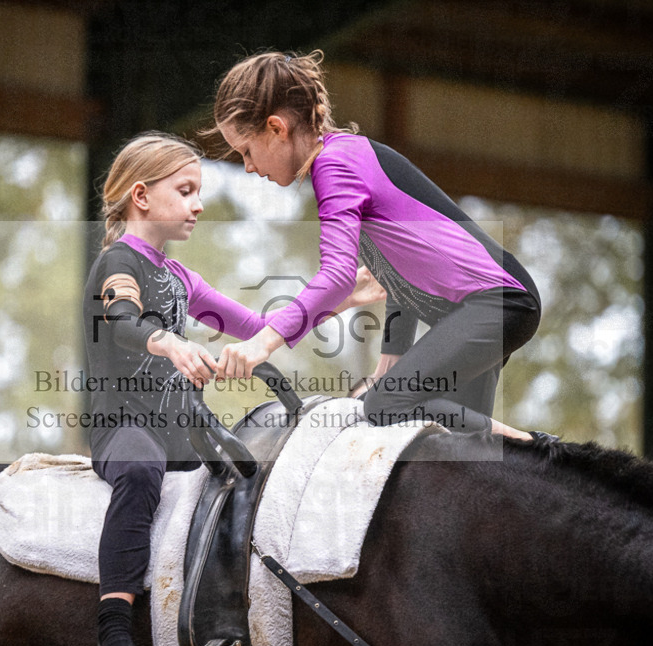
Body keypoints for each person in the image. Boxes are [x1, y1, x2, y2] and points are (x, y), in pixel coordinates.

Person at [83, 132, 380, 646]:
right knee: (141, 469)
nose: (199, 204)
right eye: (187, 190)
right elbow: (122, 322)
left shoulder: (180, 277)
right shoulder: (117, 263)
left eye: (199, 192)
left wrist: (340, 299)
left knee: (249, 472)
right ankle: (114, 638)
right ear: (142, 196)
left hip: (180, 426)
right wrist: (170, 342)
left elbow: (261, 328)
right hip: (123, 425)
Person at [210, 50, 554, 443]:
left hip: (497, 304)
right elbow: (396, 270)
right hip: (486, 308)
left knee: (384, 407)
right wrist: (389, 361)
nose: (249, 166)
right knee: (457, 450)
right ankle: (526, 453)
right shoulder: (349, 152)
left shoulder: (334, 166)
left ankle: (538, 447)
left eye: (246, 151)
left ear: (276, 128)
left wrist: (263, 343)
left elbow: (337, 276)